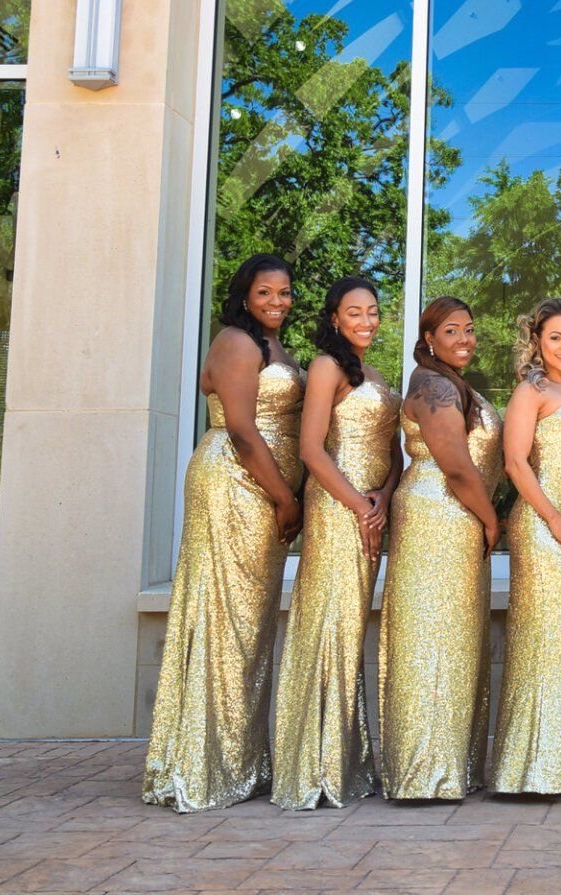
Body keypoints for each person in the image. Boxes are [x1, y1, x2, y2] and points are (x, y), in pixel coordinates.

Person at [144, 253, 305, 811]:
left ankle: (238, 758)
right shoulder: (237, 341)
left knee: (252, 622)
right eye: (266, 293)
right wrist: (285, 495)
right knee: (226, 618)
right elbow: (240, 427)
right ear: (244, 295)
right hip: (235, 485)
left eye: (284, 293)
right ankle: (205, 762)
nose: (277, 303)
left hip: (262, 490)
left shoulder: (273, 345)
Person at [272, 277, 400, 809]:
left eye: (372, 311)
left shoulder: (374, 373)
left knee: (349, 630)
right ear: (334, 318)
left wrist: (385, 500)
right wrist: (357, 504)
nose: (366, 321)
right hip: (336, 509)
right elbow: (310, 450)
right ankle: (313, 767)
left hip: (372, 510)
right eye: (355, 313)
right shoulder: (326, 366)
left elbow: (394, 453)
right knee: (328, 625)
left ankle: (346, 761)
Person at [378, 296, 503, 800]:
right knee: (432, 638)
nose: (465, 339)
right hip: (440, 513)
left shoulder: (451, 383)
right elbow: (454, 465)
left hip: (453, 513)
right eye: (452, 331)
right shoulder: (432, 385)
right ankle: (424, 771)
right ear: (429, 338)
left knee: (450, 635)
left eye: (470, 329)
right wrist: (493, 522)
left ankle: (447, 763)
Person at [489, 298, 561, 795]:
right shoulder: (529, 392)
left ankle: (560, 763)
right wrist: (556, 517)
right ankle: (529, 770)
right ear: (537, 341)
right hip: (542, 527)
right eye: (555, 337)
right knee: (545, 638)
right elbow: (515, 463)